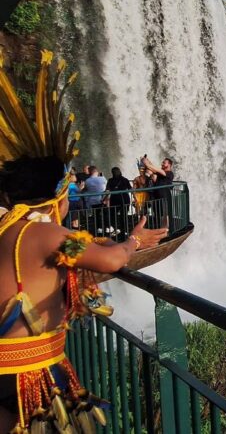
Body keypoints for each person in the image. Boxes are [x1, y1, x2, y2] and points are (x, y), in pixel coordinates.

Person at [0, 50, 168, 433]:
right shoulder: (46, 233)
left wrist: (116, 244)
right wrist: (132, 243)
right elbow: (105, 261)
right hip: (22, 369)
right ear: (61, 194)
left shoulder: (14, 229)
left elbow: (83, 249)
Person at [143, 157, 174, 227]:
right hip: (157, 198)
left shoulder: (169, 173)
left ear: (169, 165)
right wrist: (148, 161)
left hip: (164, 198)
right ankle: (158, 229)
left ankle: (166, 231)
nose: (162, 164)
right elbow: (153, 169)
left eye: (164, 162)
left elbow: (155, 169)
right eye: (162, 162)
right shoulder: (160, 174)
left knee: (165, 215)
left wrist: (146, 163)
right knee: (157, 214)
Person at [106, 167, 132, 240]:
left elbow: (107, 190)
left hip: (114, 199)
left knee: (113, 215)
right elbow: (130, 189)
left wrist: (105, 198)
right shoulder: (125, 180)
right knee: (124, 215)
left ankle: (116, 228)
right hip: (124, 198)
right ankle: (125, 230)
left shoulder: (110, 180)